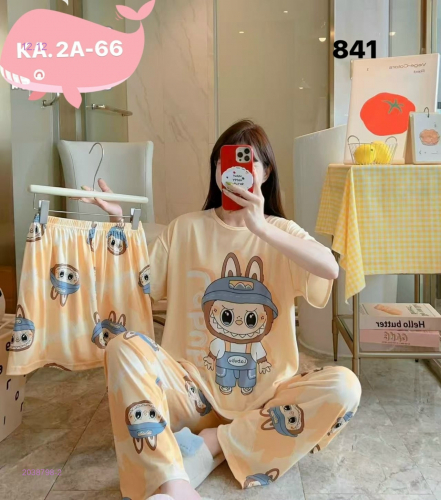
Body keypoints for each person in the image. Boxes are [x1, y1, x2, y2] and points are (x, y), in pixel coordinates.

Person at [79, 120, 361, 500]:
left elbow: (329, 268)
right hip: (189, 395)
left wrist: (261, 228)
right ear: (216, 169)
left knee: (345, 387)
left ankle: (209, 445)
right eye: (225, 161)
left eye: (249, 162)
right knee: (121, 348)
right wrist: (118, 219)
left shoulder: (281, 232)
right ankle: (179, 483)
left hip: (267, 399)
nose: (235, 170)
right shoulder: (185, 229)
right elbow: (140, 279)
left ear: (266, 172)